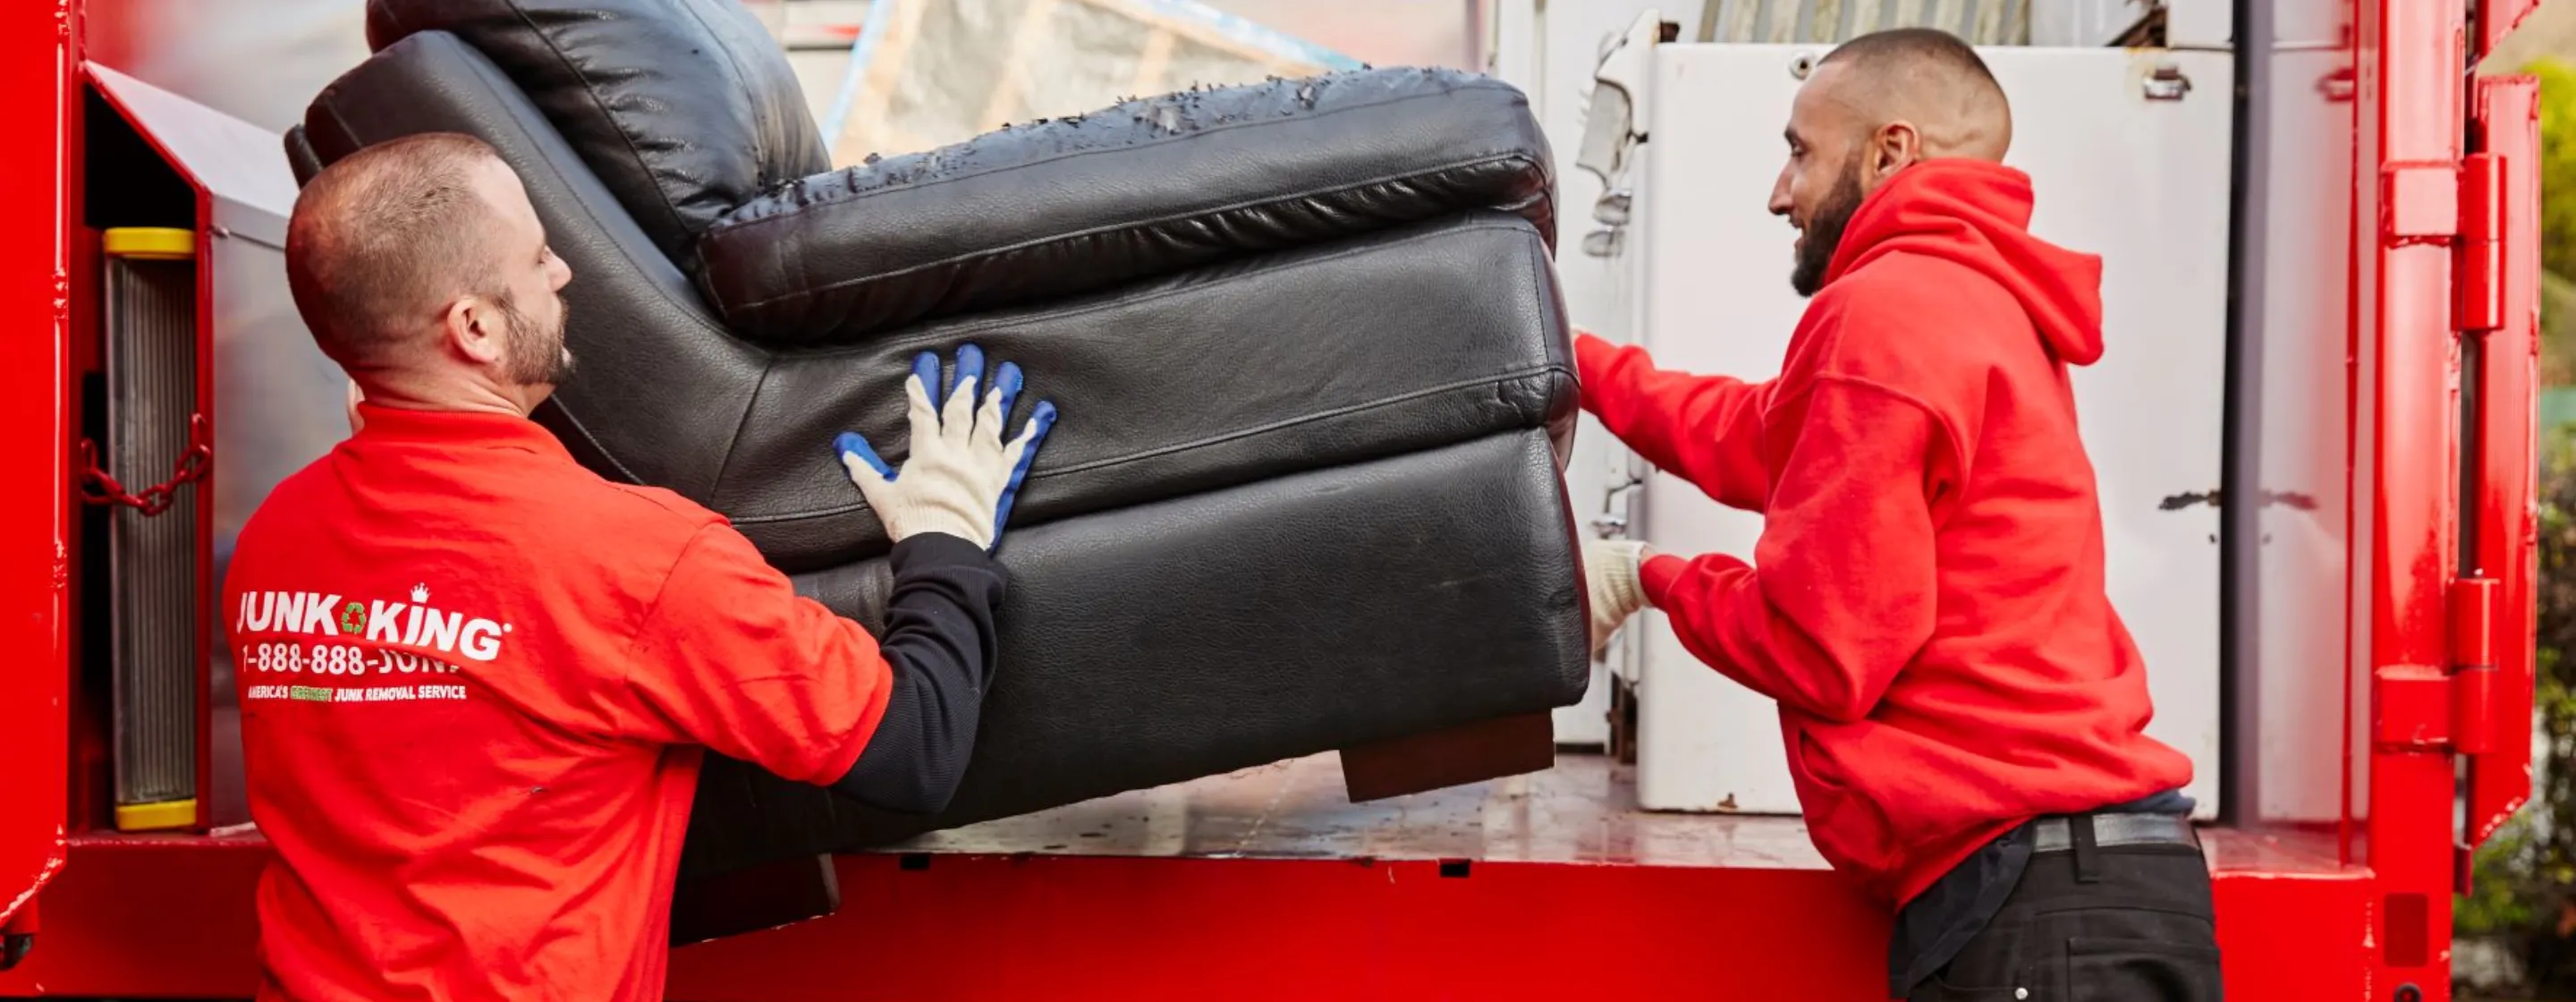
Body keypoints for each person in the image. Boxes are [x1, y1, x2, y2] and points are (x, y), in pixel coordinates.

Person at [222, 131, 1055, 1001]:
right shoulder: (632, 561)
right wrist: (946, 536)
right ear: (472, 327)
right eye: (538, 256)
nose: (563, 274)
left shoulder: (275, 541)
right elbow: (912, 749)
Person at [1575, 28, 2220, 1000]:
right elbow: (1766, 437)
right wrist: (1577, 366)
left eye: (1799, 149)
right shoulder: (1969, 300)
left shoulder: (1886, 312)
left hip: (2034, 904)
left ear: (1890, 151)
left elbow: (1828, 652)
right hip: (2088, 885)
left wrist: (1646, 578)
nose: (1778, 192)